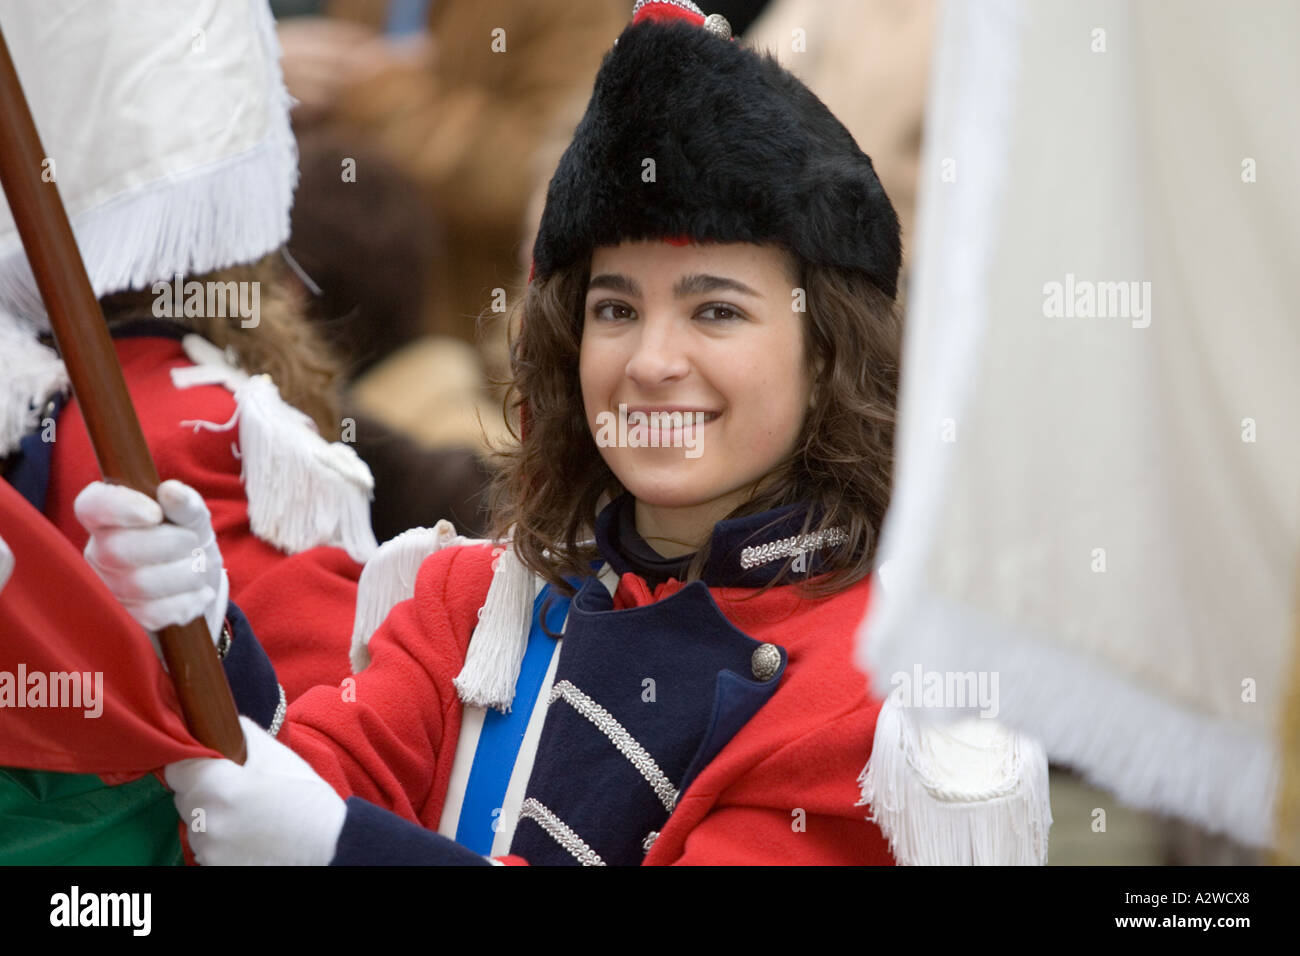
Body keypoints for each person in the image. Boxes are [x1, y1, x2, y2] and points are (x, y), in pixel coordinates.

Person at [76, 1, 923, 865]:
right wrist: (206, 635)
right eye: (616, 308)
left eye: (716, 310)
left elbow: (326, 836)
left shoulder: (876, 684)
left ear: (827, 356)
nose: (652, 360)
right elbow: (297, 794)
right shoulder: (475, 600)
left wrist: (345, 849)